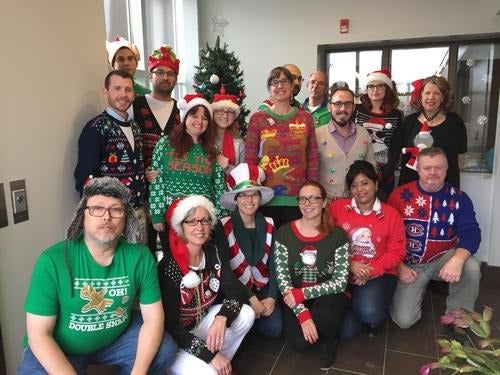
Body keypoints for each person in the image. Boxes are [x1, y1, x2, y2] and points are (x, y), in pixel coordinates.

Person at [17, 177, 177, 374]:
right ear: (82, 216)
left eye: (116, 210)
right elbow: (39, 335)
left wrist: (139, 372)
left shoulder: (140, 257)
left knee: (165, 350)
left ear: (125, 217)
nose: (106, 217)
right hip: (61, 348)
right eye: (97, 208)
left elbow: (153, 319)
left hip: (116, 340)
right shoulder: (51, 261)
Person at [158, 195, 254, 375]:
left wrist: (222, 317)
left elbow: (234, 291)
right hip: (177, 339)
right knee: (209, 371)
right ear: (181, 227)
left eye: (204, 220)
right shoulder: (169, 267)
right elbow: (171, 325)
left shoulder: (213, 252)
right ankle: (207, 364)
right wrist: (208, 355)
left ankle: (218, 363)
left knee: (246, 313)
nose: (200, 227)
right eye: (192, 222)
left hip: (202, 324)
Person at [387, 147, 481, 329]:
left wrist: (458, 260)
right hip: (409, 264)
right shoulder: (399, 195)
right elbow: (386, 235)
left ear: (447, 169)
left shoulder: (459, 198)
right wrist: (399, 266)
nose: (433, 172)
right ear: (418, 169)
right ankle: (415, 292)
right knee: (404, 321)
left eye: (438, 168)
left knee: (471, 267)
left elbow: (471, 232)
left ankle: (458, 320)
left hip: (443, 258)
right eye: (427, 168)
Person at [273, 180, 350, 369]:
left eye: (313, 198)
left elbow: (340, 282)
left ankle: (329, 341)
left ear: (324, 202)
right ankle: (320, 327)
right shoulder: (284, 233)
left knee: (327, 318)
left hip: (328, 296)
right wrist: (302, 314)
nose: (307, 204)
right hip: (295, 298)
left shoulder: (338, 234)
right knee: (300, 344)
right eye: (303, 199)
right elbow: (282, 279)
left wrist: (303, 294)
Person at [329, 161, 406, 339]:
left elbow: (397, 252)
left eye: (365, 183)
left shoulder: (391, 214)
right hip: (344, 272)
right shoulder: (337, 208)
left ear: (376, 184)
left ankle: (370, 310)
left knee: (370, 313)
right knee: (345, 332)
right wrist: (349, 264)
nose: (360, 190)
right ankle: (356, 305)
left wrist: (369, 271)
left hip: (379, 274)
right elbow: (325, 240)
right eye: (354, 185)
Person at [74, 70, 147, 241]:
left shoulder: (135, 127)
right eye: (117, 89)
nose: (123, 94)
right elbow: (85, 177)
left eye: (128, 89)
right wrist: (100, 215)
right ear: (106, 92)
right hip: (112, 217)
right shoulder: (96, 127)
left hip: (138, 212)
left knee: (138, 263)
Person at [245, 66, 319, 228]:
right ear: (269, 88)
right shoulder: (258, 119)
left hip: (298, 201)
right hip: (265, 199)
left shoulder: (305, 118)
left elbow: (312, 158)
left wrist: (313, 195)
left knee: (294, 249)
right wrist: (250, 195)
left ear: (292, 85)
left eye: (285, 81)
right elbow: (250, 160)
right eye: (275, 82)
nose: (280, 86)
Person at [148, 93, 226, 240]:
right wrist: (157, 214)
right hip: (171, 217)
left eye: (204, 118)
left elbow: (219, 185)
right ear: (185, 118)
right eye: (194, 116)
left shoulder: (213, 149)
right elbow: (156, 180)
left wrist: (221, 216)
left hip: (202, 221)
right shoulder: (165, 144)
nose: (199, 121)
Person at [220, 163, 283, 337]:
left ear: (260, 198)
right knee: (242, 322)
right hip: (236, 288)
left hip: (261, 284)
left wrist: (271, 297)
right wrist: (250, 298)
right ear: (236, 199)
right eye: (243, 196)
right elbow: (225, 271)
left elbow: (275, 265)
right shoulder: (224, 226)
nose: (249, 200)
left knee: (275, 328)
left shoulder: (269, 224)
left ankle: (250, 323)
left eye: (254, 194)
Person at [133, 44, 181, 255]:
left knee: (173, 245)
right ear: (150, 75)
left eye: (170, 73)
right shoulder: (135, 105)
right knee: (146, 247)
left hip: (171, 190)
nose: (165, 77)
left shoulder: (182, 110)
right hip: (142, 190)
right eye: (160, 72)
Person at [384, 75, 467, 188]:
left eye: (436, 93)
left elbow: (460, 157)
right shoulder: (409, 122)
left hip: (444, 187)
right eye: (427, 93)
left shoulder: (455, 122)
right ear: (421, 96)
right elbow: (399, 153)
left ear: (443, 97)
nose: (431, 97)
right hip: (410, 188)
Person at [315, 85, 376, 201]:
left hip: (357, 205)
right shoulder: (316, 135)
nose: (343, 109)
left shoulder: (364, 135)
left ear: (353, 108)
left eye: (348, 104)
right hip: (326, 206)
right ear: (329, 107)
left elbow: (371, 171)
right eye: (337, 104)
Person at [355, 69, 404, 197]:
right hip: (358, 172)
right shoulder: (357, 110)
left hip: (385, 175)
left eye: (379, 86)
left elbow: (396, 147)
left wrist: (383, 175)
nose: (375, 90)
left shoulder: (396, 115)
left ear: (387, 88)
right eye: (371, 86)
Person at [211, 85, 245, 176]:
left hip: (230, 189)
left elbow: (244, 176)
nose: (225, 116)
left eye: (230, 112)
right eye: (220, 111)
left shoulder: (239, 144)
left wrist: (228, 167)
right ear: (213, 113)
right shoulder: (204, 140)